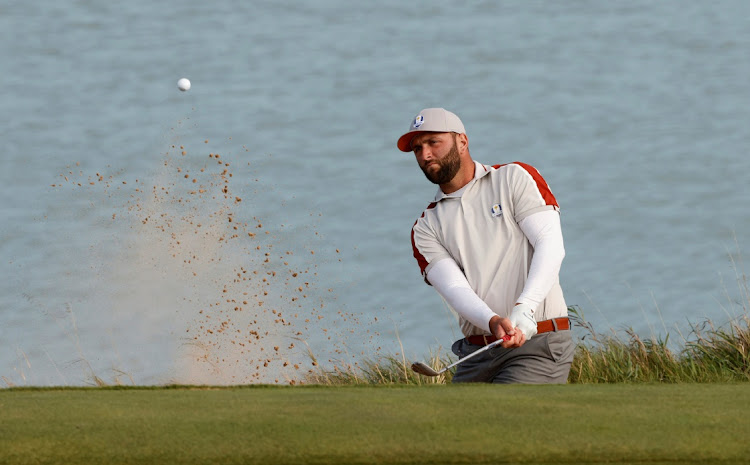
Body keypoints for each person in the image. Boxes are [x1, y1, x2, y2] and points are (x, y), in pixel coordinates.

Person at [398, 108, 574, 384]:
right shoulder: (425, 227)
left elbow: (550, 245)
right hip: (476, 353)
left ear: (462, 142)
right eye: (418, 149)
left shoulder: (514, 177)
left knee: (508, 422)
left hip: (537, 344)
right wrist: (493, 321)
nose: (425, 155)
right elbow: (455, 289)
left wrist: (524, 308)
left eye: (434, 142)